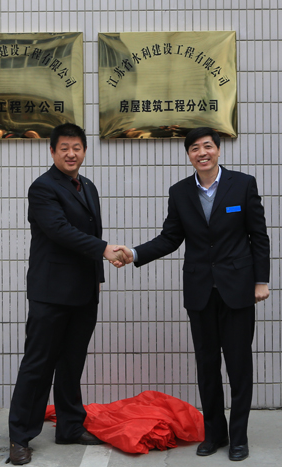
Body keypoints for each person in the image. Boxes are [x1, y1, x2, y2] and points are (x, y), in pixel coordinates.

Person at [116, 127, 271, 462]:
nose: (202, 153)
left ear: (218, 150)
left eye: (208, 146)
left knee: (239, 367)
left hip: (237, 290)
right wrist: (134, 253)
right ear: (189, 155)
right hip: (200, 291)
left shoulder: (243, 185)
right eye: (195, 148)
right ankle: (214, 433)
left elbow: (258, 236)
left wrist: (261, 281)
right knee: (207, 365)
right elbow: (169, 238)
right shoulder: (180, 192)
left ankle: (239, 437)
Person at [8, 123, 126, 465]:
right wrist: (104, 249)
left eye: (77, 148)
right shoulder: (42, 188)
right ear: (52, 151)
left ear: (84, 151)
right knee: (38, 363)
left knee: (73, 362)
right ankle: (20, 436)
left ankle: (70, 426)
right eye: (64, 148)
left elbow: (92, 231)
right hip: (51, 292)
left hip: (84, 292)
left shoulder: (87, 186)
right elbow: (60, 230)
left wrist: (97, 276)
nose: (71, 154)